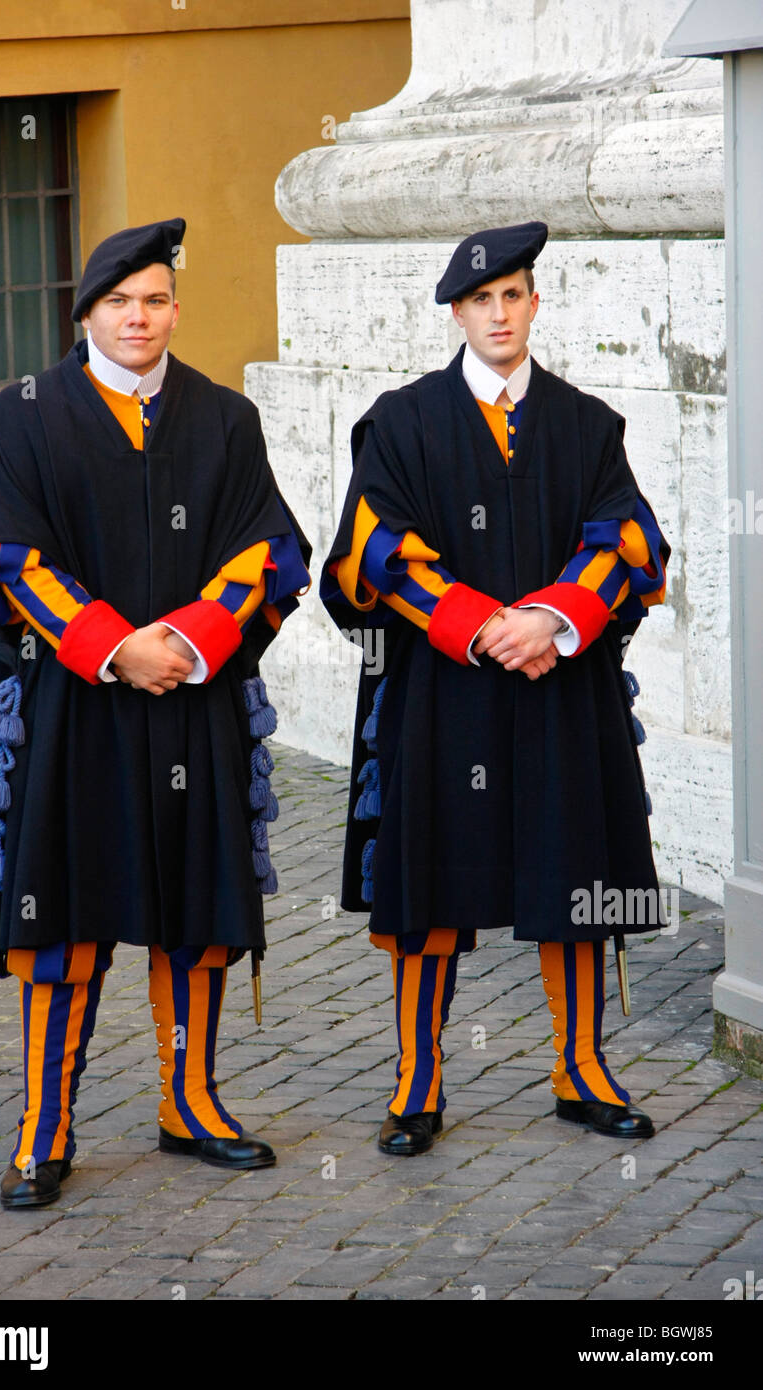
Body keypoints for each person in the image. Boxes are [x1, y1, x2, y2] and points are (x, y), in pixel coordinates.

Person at [0, 217, 311, 1206]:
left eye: (153, 300)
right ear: (86, 314)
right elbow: (5, 554)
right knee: (62, 909)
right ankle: (43, 1126)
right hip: (73, 704)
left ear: (174, 309)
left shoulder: (224, 418)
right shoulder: (28, 415)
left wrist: (186, 639)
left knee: (196, 907)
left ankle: (191, 1101)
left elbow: (268, 551)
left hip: (195, 698)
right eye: (118, 302)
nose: (138, 317)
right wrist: (113, 646)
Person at [321, 221, 669, 1157]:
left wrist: (552, 619)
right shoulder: (401, 421)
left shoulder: (588, 424)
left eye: (513, 294)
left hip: (562, 682)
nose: (499, 312)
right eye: (481, 299)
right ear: (457, 314)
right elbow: (371, 550)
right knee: (435, 878)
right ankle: (417, 1081)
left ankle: (583, 1070)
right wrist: (483, 624)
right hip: (445, 691)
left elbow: (628, 541)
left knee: (579, 873)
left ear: (534, 303)